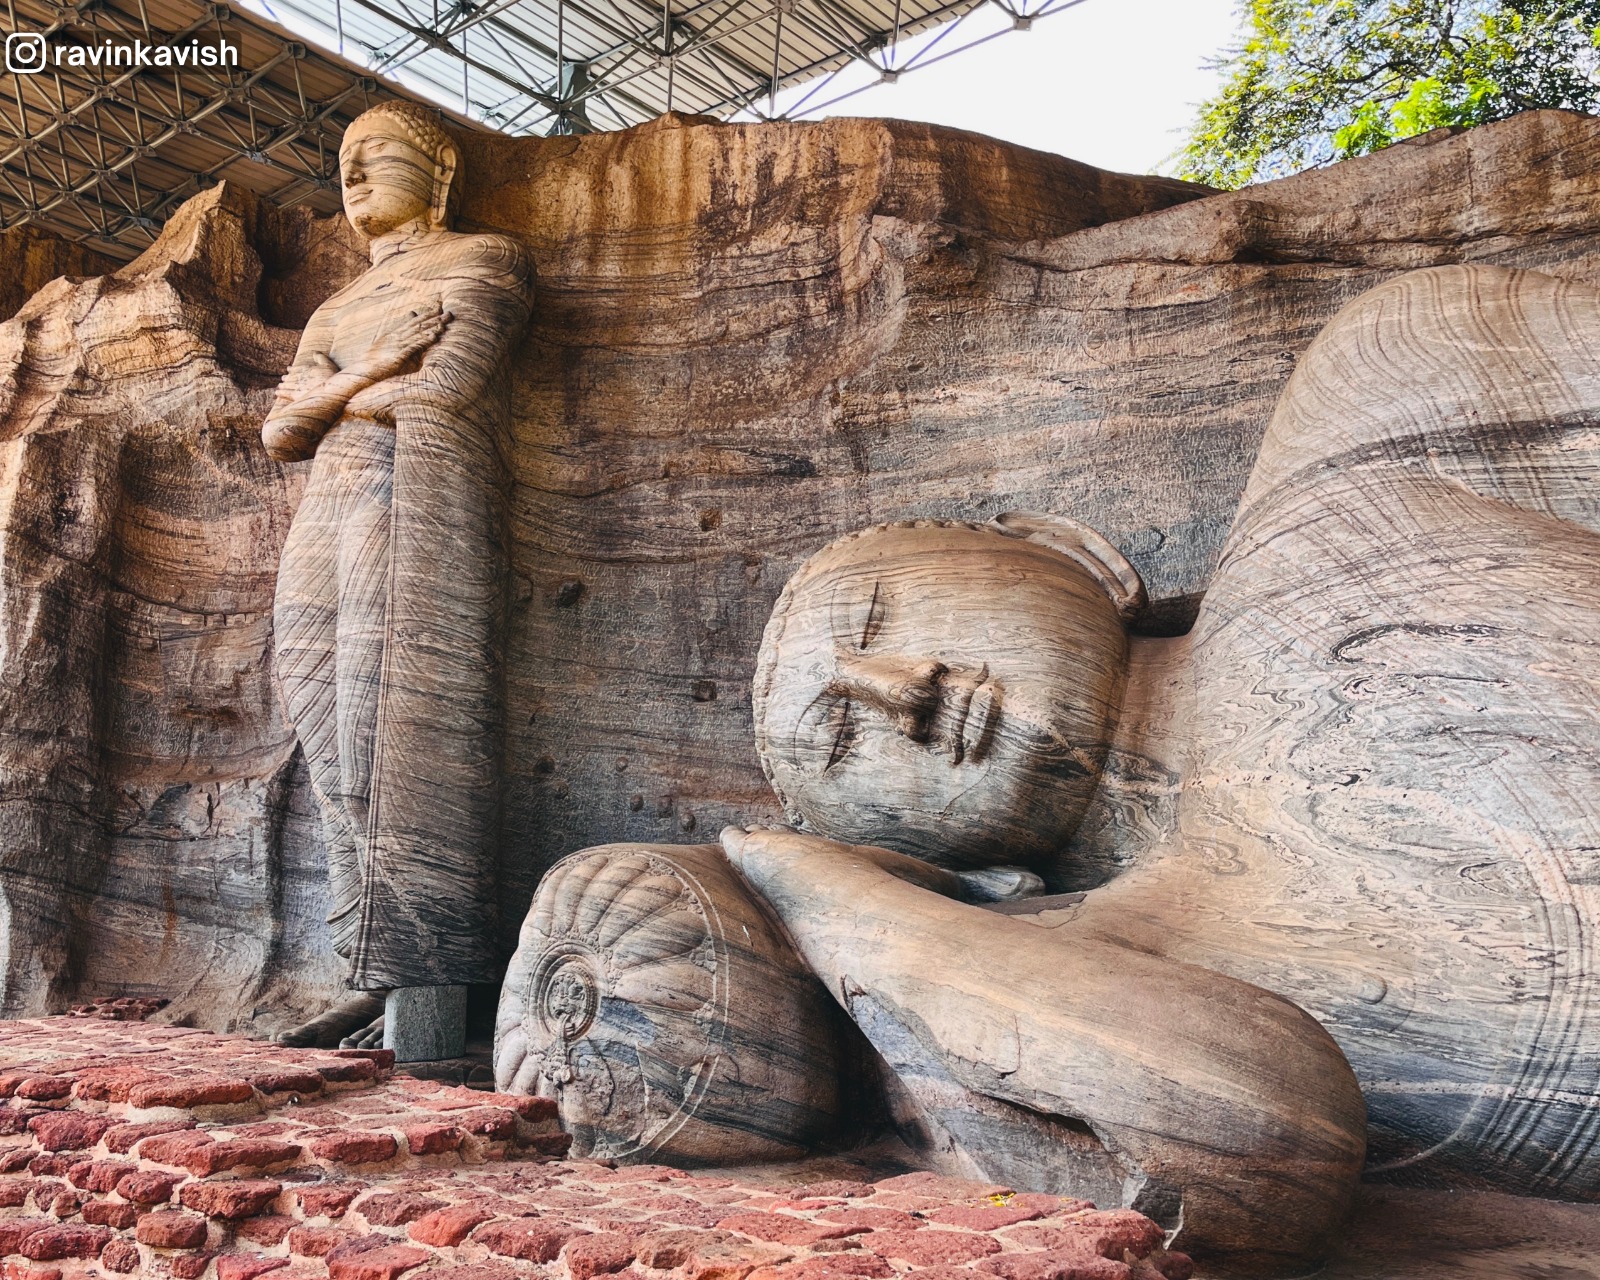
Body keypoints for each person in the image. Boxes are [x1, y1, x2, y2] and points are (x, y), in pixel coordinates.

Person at [741, 262, 1600, 1202]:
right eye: (842, 742)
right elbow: (1264, 1153)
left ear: (1072, 549)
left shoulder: (1369, 407)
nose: (903, 691)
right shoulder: (1094, 972)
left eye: (885, 618)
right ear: (930, 861)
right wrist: (831, 898)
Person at [264, 100, 533, 1050]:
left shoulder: (484, 260)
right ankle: (364, 962)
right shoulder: (337, 311)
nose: (352, 174)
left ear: (440, 171)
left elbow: (447, 388)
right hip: (326, 511)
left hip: (406, 502)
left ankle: (412, 977)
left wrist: (338, 396)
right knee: (323, 722)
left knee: (391, 725)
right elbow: (279, 432)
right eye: (341, 162)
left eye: (373, 154)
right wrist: (367, 369)